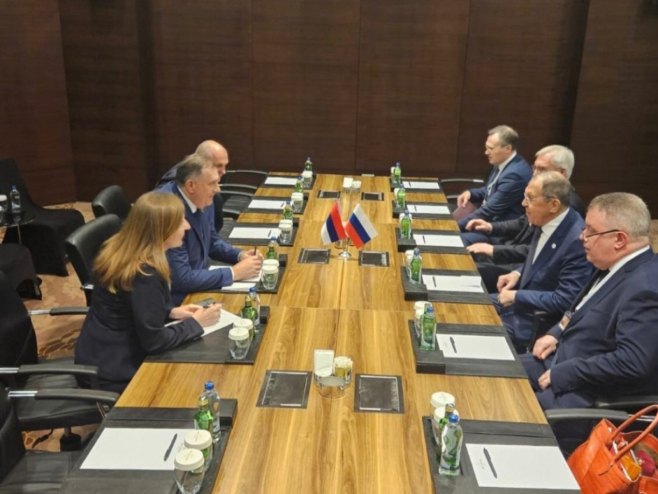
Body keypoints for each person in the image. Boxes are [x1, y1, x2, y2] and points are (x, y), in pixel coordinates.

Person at [74, 192, 222, 393]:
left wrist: (170, 312)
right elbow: (155, 341)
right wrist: (197, 323)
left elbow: (128, 306)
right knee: (193, 382)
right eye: (180, 222)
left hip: (97, 351)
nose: (187, 226)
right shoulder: (145, 273)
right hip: (112, 371)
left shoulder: (123, 248)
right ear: (162, 230)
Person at [522, 192, 658, 410]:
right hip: (558, 359)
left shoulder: (646, 287)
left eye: (590, 231)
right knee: (495, 369)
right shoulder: (612, 263)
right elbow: (581, 308)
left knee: (503, 411)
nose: (581, 236)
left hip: (583, 391)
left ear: (619, 240)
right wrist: (556, 332)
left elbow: (632, 361)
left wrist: (567, 372)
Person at [492, 171, 591, 352]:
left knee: (473, 329)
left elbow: (566, 299)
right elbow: (541, 259)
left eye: (530, 198)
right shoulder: (546, 219)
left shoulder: (576, 241)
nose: (523, 204)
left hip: (533, 324)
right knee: (466, 303)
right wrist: (518, 273)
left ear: (553, 205)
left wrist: (516, 296)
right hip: (518, 305)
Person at [465, 145, 584, 290]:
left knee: (467, 272)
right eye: (535, 168)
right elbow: (523, 223)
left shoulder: (567, 206)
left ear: (562, 173)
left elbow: (543, 252)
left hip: (523, 268)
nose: (535, 173)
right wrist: (490, 227)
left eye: (542, 169)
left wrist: (495, 250)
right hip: (513, 253)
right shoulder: (540, 193)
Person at [158, 153, 262, 304]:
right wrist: (234, 273)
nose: (217, 189)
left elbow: (212, 241)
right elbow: (181, 279)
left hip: (201, 283)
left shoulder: (202, 197)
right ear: (191, 186)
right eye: (212, 184)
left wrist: (239, 255)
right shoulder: (166, 211)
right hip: (177, 302)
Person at [455, 125, 532, 233]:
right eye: (486, 147)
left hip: (497, 228)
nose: (486, 152)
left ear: (507, 149)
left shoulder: (515, 175)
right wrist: (471, 193)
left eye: (490, 148)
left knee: (451, 238)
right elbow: (492, 189)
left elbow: (490, 211)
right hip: (485, 216)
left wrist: (453, 227)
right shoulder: (503, 161)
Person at [157, 140, 230, 232]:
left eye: (225, 165)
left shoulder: (208, 194)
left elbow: (211, 235)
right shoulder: (169, 198)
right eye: (219, 165)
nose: (224, 171)